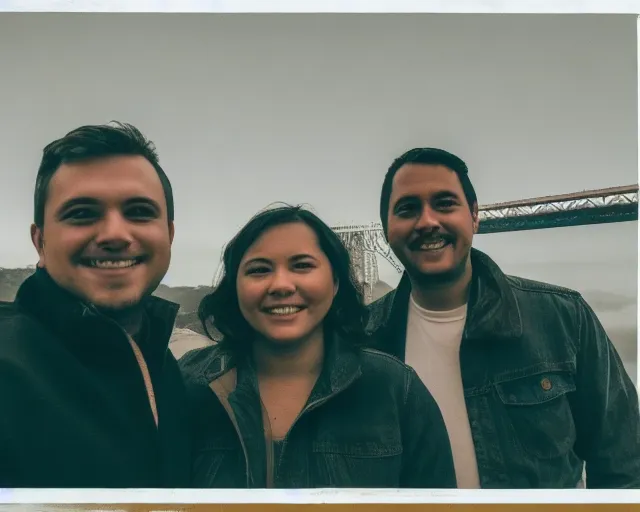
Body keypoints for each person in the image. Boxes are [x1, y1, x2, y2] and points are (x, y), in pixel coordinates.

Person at [365, 147, 640, 489]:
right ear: (386, 229)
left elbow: (625, 465)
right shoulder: (360, 339)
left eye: (445, 203)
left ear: (475, 216)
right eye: (408, 209)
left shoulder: (564, 318)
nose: (427, 221)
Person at [179, 205, 456, 488]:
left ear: (335, 282)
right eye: (259, 270)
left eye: (302, 265)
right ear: (235, 286)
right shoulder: (186, 384)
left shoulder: (398, 390)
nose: (281, 285)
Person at [0, 122, 190, 487]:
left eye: (138, 211)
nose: (115, 235)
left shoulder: (169, 371)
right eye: (82, 213)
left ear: (169, 234)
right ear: (39, 242)